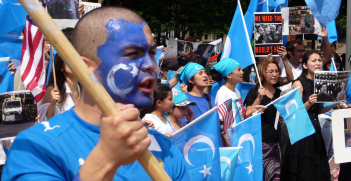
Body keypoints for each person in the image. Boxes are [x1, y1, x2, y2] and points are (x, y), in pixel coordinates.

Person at [2, 7, 190, 181]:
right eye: (132, 53)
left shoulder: (166, 148)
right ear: (83, 67)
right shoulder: (36, 147)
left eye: (150, 52)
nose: (150, 64)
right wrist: (106, 158)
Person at [281, 50, 342, 181]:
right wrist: (308, 102)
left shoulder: (320, 83)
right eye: (313, 61)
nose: (318, 63)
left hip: (315, 129)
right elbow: (294, 113)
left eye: (319, 60)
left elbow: (318, 110)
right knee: (304, 168)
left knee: (317, 168)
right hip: (302, 132)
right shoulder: (299, 83)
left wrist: (334, 103)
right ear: (304, 65)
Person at [244, 48, 293, 181]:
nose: (274, 74)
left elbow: (291, 78)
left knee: (275, 177)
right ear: (262, 74)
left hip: (276, 142)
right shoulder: (254, 92)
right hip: (259, 142)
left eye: (276, 71)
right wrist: (259, 98)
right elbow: (247, 115)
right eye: (270, 71)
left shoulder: (278, 94)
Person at [210, 58, 266, 146]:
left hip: (240, 139)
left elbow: (240, 117)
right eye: (239, 70)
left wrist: (255, 106)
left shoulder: (236, 91)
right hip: (232, 143)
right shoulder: (223, 93)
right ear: (229, 75)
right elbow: (223, 125)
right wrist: (229, 146)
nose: (242, 72)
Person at [38, 28, 80, 121]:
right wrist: (53, 104)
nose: (75, 62)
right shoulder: (54, 89)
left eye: (77, 59)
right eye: (68, 60)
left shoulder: (84, 90)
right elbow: (45, 120)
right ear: (61, 66)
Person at [279, 26, 332, 92]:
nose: (303, 53)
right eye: (299, 51)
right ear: (290, 53)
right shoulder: (282, 64)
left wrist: (325, 38)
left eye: (303, 51)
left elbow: (327, 57)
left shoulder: (307, 65)